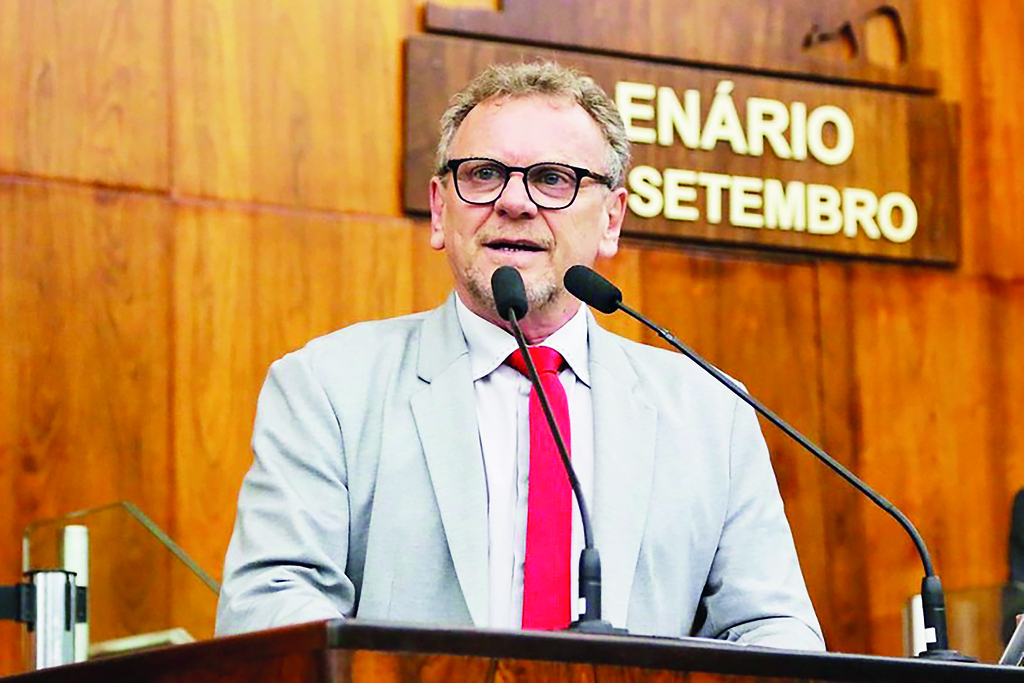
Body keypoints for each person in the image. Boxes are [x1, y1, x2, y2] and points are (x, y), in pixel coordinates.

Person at [215, 61, 824, 650]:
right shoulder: (329, 388)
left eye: (553, 179)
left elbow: (774, 630)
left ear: (611, 220)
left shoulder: (710, 413)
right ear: (439, 209)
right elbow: (269, 610)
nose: (514, 202)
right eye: (482, 174)